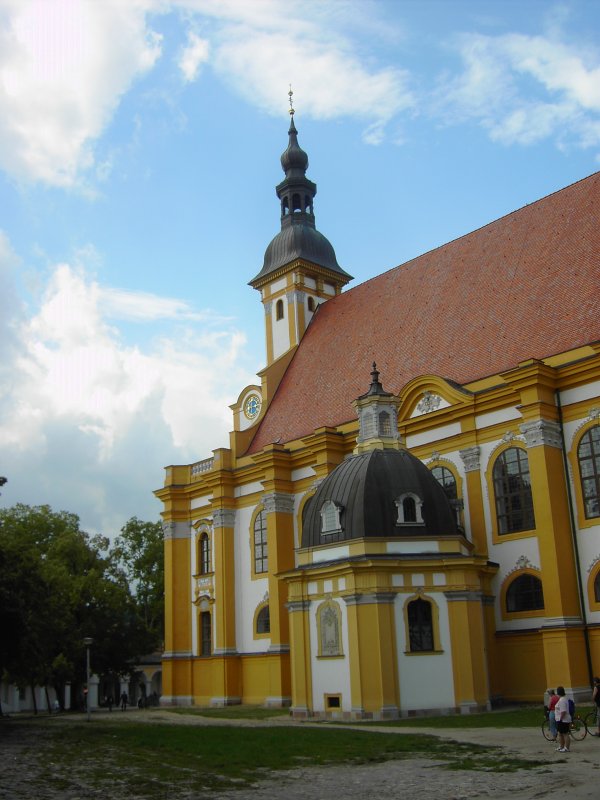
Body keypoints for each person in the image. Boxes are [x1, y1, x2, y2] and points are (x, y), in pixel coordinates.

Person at [554, 685, 571, 753]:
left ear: (558, 693)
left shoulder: (562, 700)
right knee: (560, 733)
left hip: (563, 720)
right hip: (562, 719)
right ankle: (561, 746)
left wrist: (560, 719)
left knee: (565, 733)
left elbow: (563, 711)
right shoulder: (563, 699)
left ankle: (566, 748)